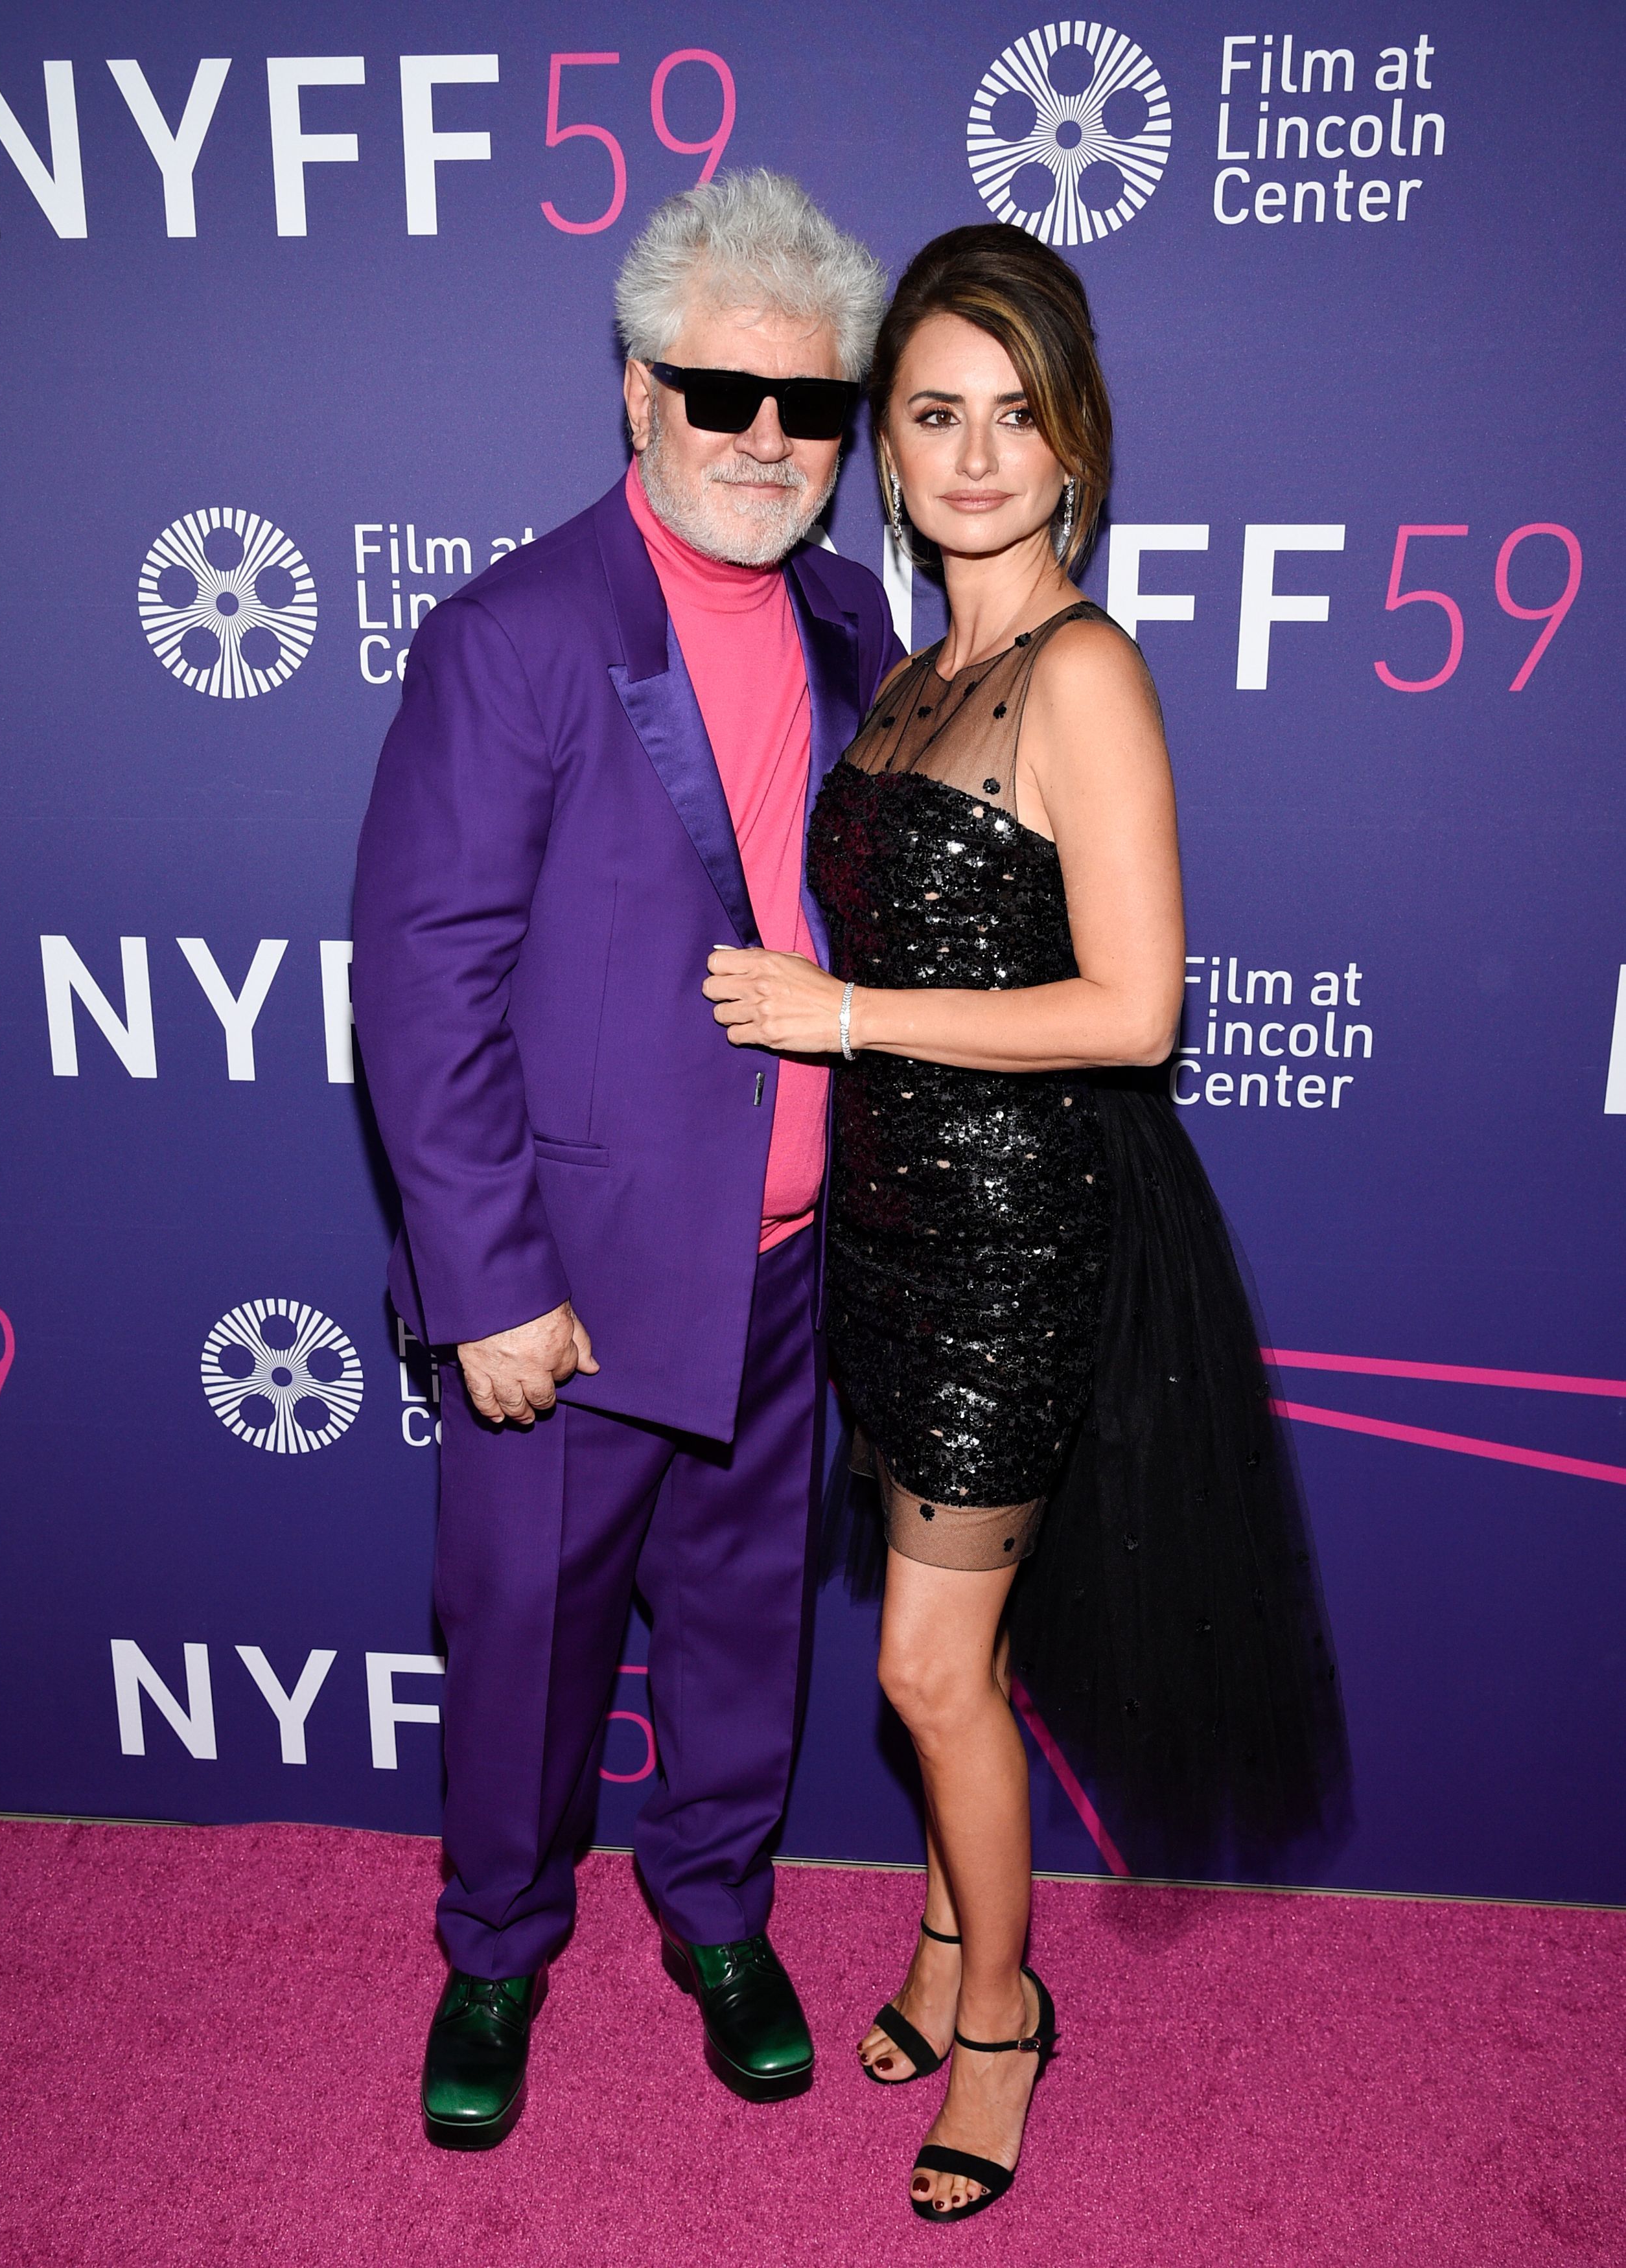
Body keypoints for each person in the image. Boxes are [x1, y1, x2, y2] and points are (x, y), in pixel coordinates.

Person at [703, 225, 1351, 2221]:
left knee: (926, 1669)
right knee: (952, 1652)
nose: (975, 456)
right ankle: (931, 1942)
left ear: (1073, 443)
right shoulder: (919, 674)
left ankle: (1001, 2013)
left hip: (1015, 1242)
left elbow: (1133, 1009)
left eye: (1013, 414)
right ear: (885, 450)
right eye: (933, 415)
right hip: (893, 1230)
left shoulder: (1080, 673)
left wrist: (839, 1016)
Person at [351, 170, 898, 2149]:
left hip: (786, 1264)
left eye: (807, 405)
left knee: (745, 1630)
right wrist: (488, 1282)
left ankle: (719, 1913)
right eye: (719, 393)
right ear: (639, 393)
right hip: (568, 1286)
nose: (764, 438)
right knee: (525, 1646)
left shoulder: (849, 615)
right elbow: (421, 982)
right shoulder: (514, 635)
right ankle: (496, 1947)